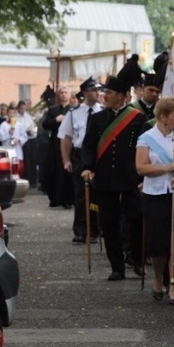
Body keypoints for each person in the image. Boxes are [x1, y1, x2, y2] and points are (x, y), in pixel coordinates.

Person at [80, 75, 146, 281]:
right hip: (105, 178)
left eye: (108, 92)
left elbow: (143, 147)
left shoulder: (137, 118)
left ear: (121, 95)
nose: (104, 96)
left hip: (130, 177)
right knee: (109, 223)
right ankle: (117, 266)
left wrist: (142, 174)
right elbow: (88, 145)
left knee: (136, 218)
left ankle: (136, 260)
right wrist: (88, 167)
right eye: (104, 92)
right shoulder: (97, 118)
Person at [136, 96, 174, 304]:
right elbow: (141, 168)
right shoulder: (146, 138)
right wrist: (168, 168)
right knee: (158, 243)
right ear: (163, 117)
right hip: (155, 195)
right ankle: (159, 278)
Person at [60, 77, 103, 243]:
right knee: (80, 194)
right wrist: (66, 160)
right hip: (79, 155)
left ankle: (96, 229)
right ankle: (81, 230)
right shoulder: (73, 113)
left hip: (98, 155)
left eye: (98, 90)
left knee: (97, 193)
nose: (97, 93)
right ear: (85, 93)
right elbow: (66, 138)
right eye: (93, 90)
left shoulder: (103, 112)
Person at [42, 85, 73, 208]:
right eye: (62, 92)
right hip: (54, 143)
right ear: (58, 95)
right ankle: (55, 198)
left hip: (69, 143)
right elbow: (45, 125)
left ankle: (67, 199)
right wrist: (56, 120)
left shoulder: (73, 110)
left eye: (66, 92)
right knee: (54, 170)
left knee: (67, 171)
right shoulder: (53, 110)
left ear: (70, 95)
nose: (64, 94)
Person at [0, 105, 29, 172]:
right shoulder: (3, 125)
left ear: (15, 114)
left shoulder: (19, 125)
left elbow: (25, 136)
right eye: (10, 113)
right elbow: (0, 137)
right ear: (7, 114)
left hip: (17, 151)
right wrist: (9, 133)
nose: (11, 115)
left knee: (18, 170)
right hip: (7, 149)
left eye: (13, 113)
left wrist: (18, 140)